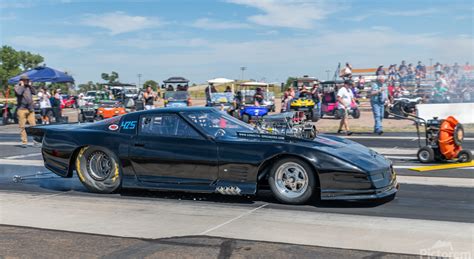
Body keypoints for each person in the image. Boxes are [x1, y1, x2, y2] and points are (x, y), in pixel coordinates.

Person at [14, 75, 37, 148]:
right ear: (21, 80)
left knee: (34, 126)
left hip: (30, 109)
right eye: (25, 80)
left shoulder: (29, 87)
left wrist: (30, 86)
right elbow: (19, 93)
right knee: (22, 127)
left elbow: (35, 92)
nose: (27, 81)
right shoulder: (17, 87)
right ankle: (24, 142)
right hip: (21, 109)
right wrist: (22, 85)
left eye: (27, 80)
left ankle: (36, 142)